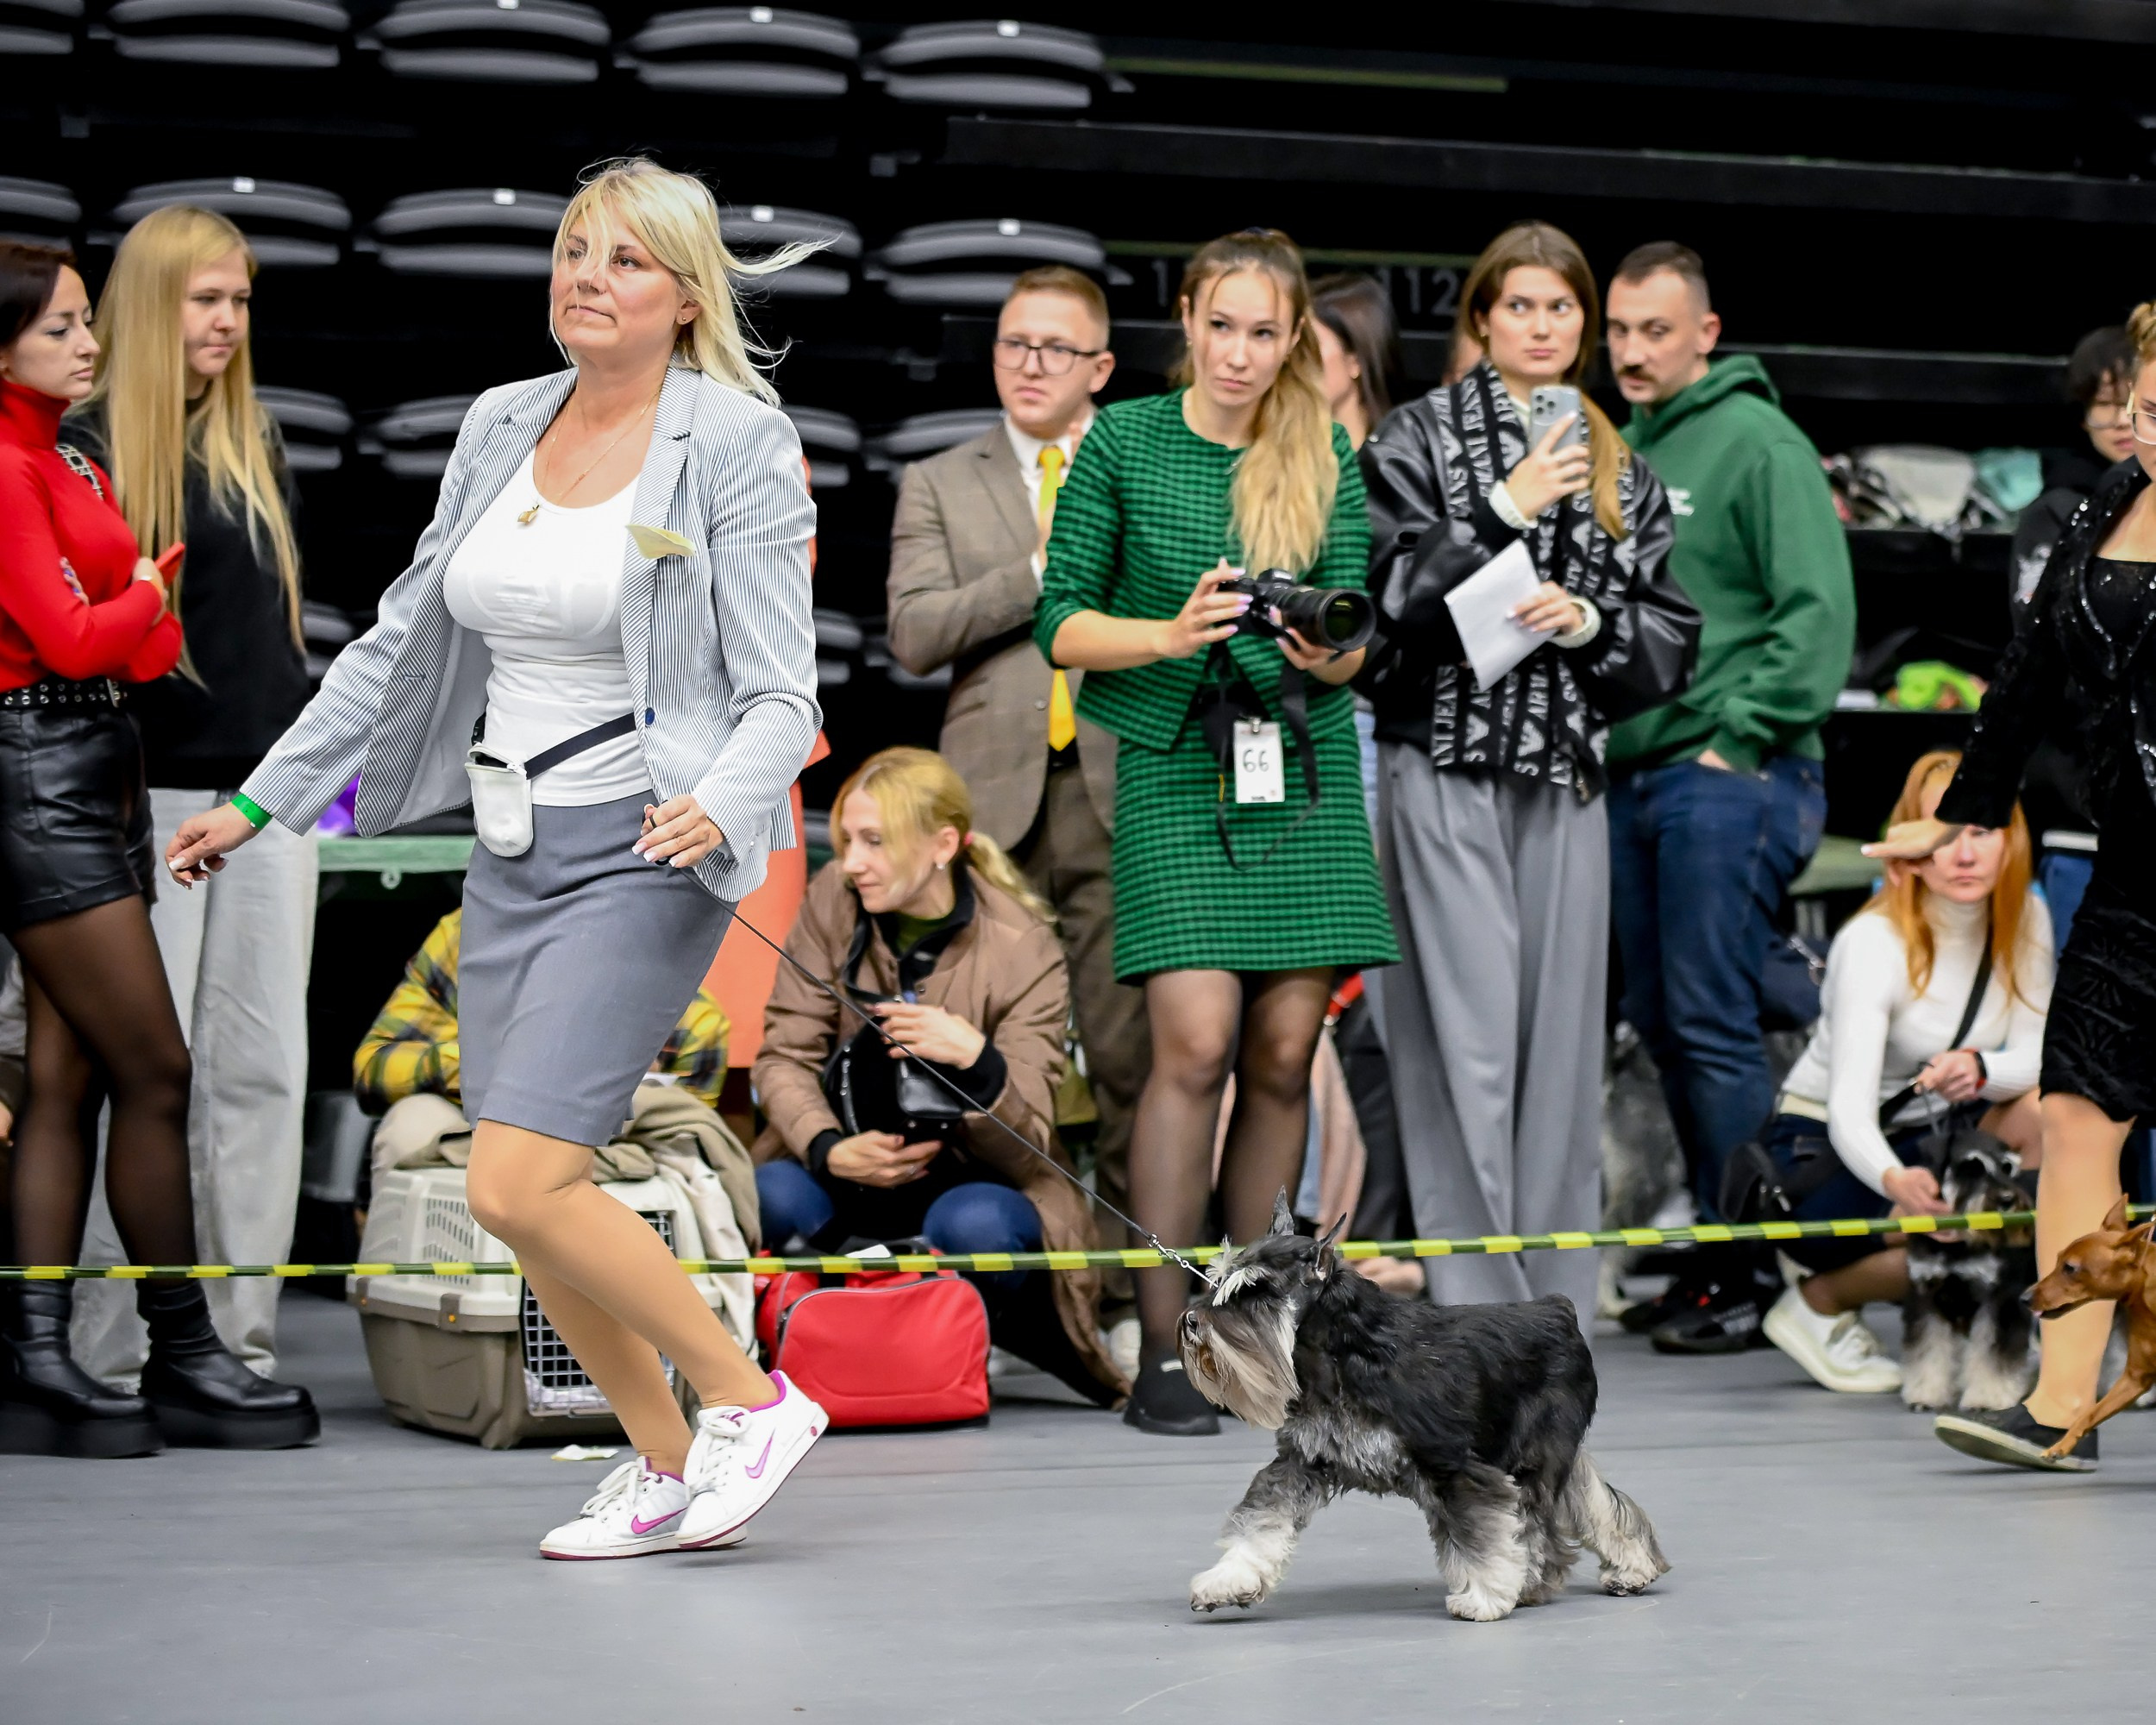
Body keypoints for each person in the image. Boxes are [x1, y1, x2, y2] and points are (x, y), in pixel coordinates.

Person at [166, 158, 828, 1554]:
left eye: (625, 261)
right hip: (508, 848)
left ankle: (748, 1401)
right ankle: (661, 1464)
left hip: (649, 844)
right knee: (523, 1195)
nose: (586, 277)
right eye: (574, 250)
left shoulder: (738, 444)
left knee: (520, 1176)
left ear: (685, 293)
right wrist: (264, 801)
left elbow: (783, 695)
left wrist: (720, 795)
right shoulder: (500, 422)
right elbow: (400, 642)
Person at [1036, 228, 1397, 1434]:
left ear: (1295, 337)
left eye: (1265, 331)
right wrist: (1172, 633)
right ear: (1186, 318)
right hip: (1178, 771)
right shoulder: (1127, 441)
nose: (1241, 352)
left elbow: (1354, 637)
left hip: (1301, 775)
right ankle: (1166, 1345)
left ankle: (1253, 1339)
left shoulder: (1322, 449)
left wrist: (1322, 647)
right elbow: (1063, 624)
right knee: (1193, 1044)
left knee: (1286, 1055)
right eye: (1222, 324)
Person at [0, 241, 314, 1458]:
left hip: (94, 773)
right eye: (64, 328)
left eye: (88, 324)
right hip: (43, 778)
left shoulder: (63, 459)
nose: (88, 346)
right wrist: (138, 599)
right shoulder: (30, 462)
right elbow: (93, 640)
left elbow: (124, 643)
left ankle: (63, 1357)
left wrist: (131, 607)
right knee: (161, 1071)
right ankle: (169, 1349)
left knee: (87, 1079)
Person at [1358, 219, 1696, 1328]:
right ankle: (1473, 1292)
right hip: (1442, 758)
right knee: (1461, 1031)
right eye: (1520, 306)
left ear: (1582, 327)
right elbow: (1387, 598)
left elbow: (1665, 640)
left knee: (1560, 1044)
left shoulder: (1623, 463)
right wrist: (1503, 508)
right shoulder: (1413, 438)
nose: (1541, 327)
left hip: (1563, 773)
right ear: (1482, 319)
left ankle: (1551, 1298)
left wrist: (1590, 616)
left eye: (1561, 309)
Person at [1870, 294, 2156, 1472]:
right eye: (2143, 386)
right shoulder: (2107, 504)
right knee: (2081, 1118)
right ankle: (2061, 1407)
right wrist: (1959, 815)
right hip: (2134, 872)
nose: (2145, 406)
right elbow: (2026, 680)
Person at [1599, 242, 1856, 1351]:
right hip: (1639, 769)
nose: (1630, 352)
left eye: (1655, 330)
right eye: (1618, 331)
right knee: (1663, 1020)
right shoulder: (1622, 447)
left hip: (1726, 768)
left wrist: (1738, 738)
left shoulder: (1759, 441)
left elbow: (1816, 612)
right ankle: (1723, 1256)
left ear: (1706, 332)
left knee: (1707, 1022)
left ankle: (1769, 1271)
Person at [885, 266, 1149, 1263]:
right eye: (1013, 344)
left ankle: (1130, 1288)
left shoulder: (1144, 465)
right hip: (986, 806)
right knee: (972, 1047)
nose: (1030, 364)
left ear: (1102, 367)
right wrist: (1038, 568)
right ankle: (990, 1275)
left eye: (1055, 347)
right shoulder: (941, 479)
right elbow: (914, 632)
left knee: (1129, 1051)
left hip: (1123, 785)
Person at [751, 746, 1125, 1405]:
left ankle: (947, 1346)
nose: (853, 861)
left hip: (970, 1176)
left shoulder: (1022, 944)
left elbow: (1032, 1134)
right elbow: (784, 1054)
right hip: (843, 1171)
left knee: (981, 1228)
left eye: (875, 841)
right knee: (766, 1196)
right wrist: (829, 1149)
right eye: (846, 840)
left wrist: (976, 1059)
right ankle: (833, 1344)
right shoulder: (832, 899)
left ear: (942, 844)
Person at [1758, 751, 2048, 1393]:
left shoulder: (2027, 919)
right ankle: (1818, 1299)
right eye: (1942, 835)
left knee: (2052, 1113)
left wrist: (1979, 1067)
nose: (1964, 854)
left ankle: (2014, 1313)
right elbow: (1848, 1111)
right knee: (1954, 1233)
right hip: (1826, 1149)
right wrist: (1897, 1181)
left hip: (1942, 1130)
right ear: (1908, 851)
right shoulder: (1873, 942)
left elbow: (2034, 1057)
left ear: (2012, 837)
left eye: (1981, 830)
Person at [2009, 324, 2135, 945]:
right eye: (2102, 401)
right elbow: (2046, 653)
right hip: (2081, 823)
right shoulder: (2058, 511)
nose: (2118, 417)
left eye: (2134, 397)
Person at [1309, 273, 1400, 453]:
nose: (1294, 360)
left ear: (1356, 361)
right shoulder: (1282, 457)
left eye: (1311, 346)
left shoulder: (1398, 463)